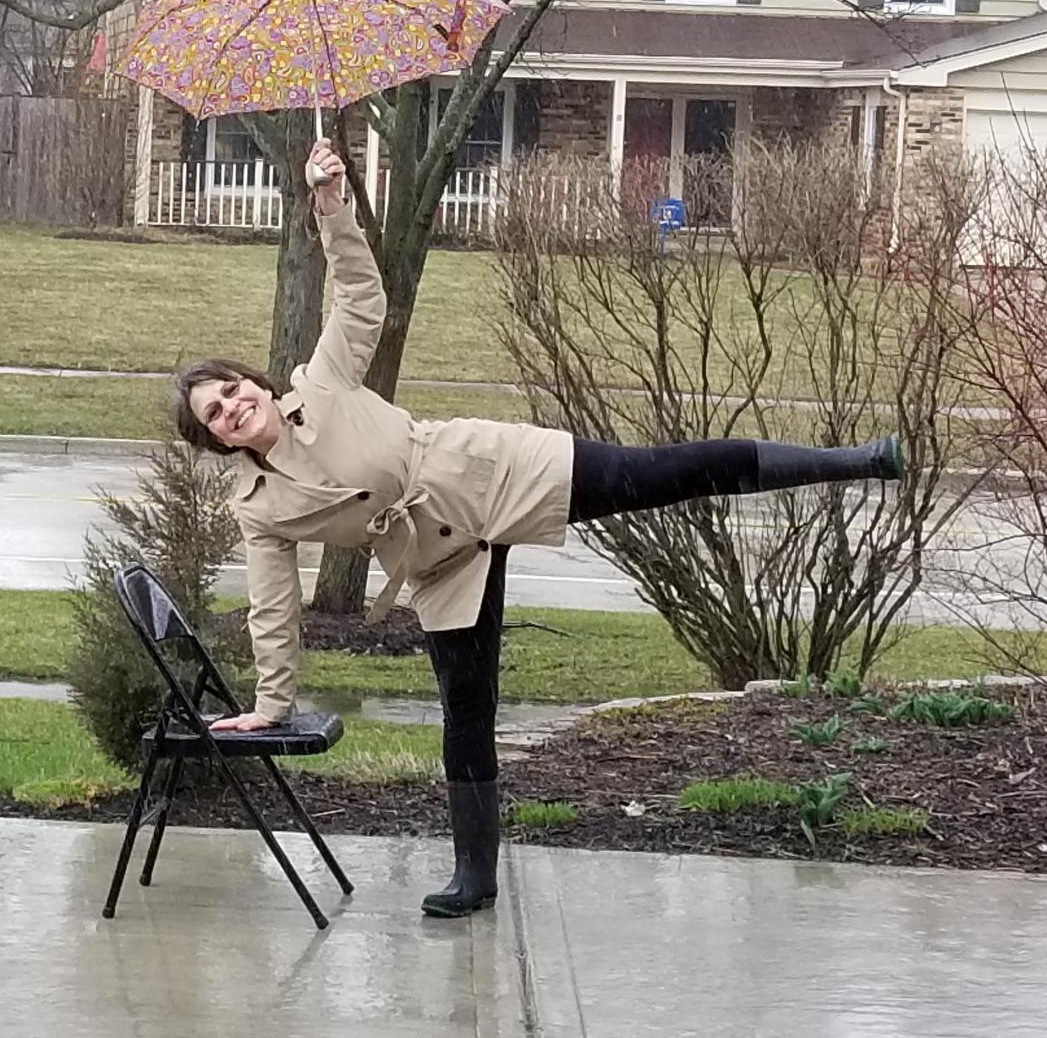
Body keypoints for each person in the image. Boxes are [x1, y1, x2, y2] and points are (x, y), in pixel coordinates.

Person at [174, 140, 905, 919]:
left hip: (487, 468)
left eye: (229, 390)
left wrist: (331, 207)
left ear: (251, 380)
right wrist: (272, 705)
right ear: (216, 441)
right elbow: (273, 609)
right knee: (466, 707)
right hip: (439, 558)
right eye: (214, 416)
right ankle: (474, 877)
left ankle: (854, 460)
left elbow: (359, 297)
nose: (230, 408)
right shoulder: (258, 505)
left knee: (654, 473)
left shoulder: (319, 383)